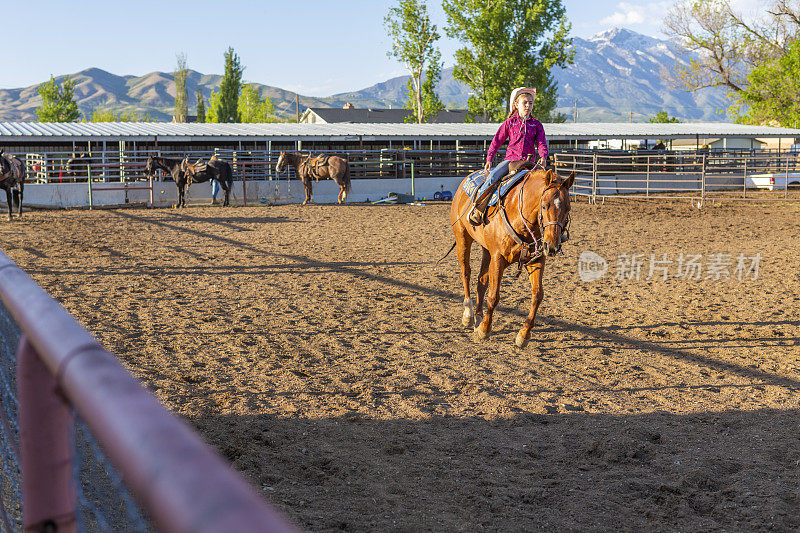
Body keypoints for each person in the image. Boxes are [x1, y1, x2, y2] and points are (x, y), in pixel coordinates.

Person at [469, 87, 549, 225]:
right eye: (525, 102)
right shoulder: (510, 123)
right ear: (516, 104)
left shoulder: (536, 125)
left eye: (530, 103)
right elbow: (496, 141)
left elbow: (541, 142)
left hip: (530, 162)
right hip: (511, 160)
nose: (528, 106)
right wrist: (489, 158)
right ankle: (479, 208)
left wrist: (543, 156)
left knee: (545, 184)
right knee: (493, 177)